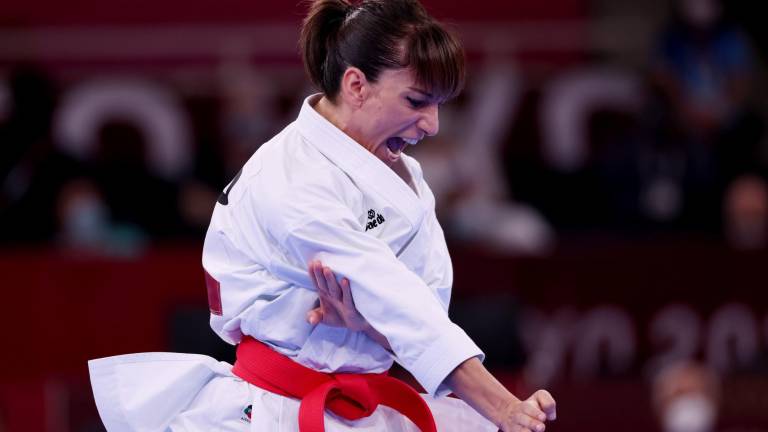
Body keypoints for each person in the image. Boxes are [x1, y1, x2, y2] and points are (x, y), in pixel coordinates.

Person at [88, 1, 556, 431]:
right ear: (356, 85)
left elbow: (418, 314)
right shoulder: (291, 178)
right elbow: (399, 303)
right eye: (416, 102)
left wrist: (370, 325)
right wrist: (503, 407)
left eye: (439, 105)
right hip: (275, 410)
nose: (432, 125)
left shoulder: (405, 176)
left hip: (366, 406)